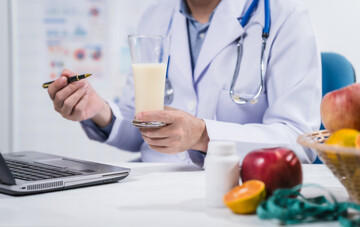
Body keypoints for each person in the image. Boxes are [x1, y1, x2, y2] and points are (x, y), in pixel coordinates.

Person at [47, 0, 322, 167]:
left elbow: (298, 140)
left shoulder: (286, 16)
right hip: (153, 187)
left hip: (240, 187)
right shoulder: (155, 15)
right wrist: (99, 111)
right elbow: (140, 125)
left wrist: (203, 135)